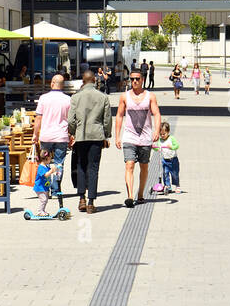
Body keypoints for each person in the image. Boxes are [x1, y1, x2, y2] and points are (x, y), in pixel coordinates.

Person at [115, 68, 161, 208]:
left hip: (145, 138)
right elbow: (119, 115)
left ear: (142, 80)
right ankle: (130, 196)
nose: (134, 81)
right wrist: (117, 136)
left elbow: (157, 114)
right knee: (129, 165)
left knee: (144, 166)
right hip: (129, 137)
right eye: (132, 79)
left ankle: (140, 193)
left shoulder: (150, 96)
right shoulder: (124, 96)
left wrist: (157, 131)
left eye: (137, 79)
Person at [68, 69, 110, 213]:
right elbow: (107, 120)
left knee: (81, 166)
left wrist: (73, 133)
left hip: (80, 136)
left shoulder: (75, 97)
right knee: (93, 168)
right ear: (94, 80)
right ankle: (91, 202)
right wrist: (106, 135)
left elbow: (70, 120)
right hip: (96, 136)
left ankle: (81, 199)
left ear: (83, 81)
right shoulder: (103, 97)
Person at [33, 74, 72, 178]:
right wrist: (71, 134)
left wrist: (35, 134)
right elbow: (71, 119)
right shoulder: (68, 99)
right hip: (61, 136)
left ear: (52, 83)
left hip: (46, 136)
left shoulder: (43, 98)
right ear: (63, 85)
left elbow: (38, 118)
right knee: (59, 163)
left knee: (45, 162)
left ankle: (46, 188)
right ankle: (56, 189)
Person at [31, 147, 58, 218]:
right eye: (50, 159)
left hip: (44, 187)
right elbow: (46, 175)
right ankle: (40, 211)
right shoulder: (41, 167)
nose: (50, 160)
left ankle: (42, 210)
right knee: (43, 200)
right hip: (39, 187)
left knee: (45, 200)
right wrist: (51, 171)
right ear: (46, 159)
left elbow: (49, 171)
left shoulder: (46, 166)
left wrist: (55, 170)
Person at [156, 121, 181, 194]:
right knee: (165, 173)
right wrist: (154, 148)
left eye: (164, 134)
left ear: (168, 132)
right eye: (161, 134)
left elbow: (177, 146)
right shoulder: (160, 140)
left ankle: (177, 185)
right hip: (165, 160)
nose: (162, 136)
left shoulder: (171, 138)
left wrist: (172, 147)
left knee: (174, 174)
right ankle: (167, 186)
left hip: (173, 160)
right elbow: (158, 147)